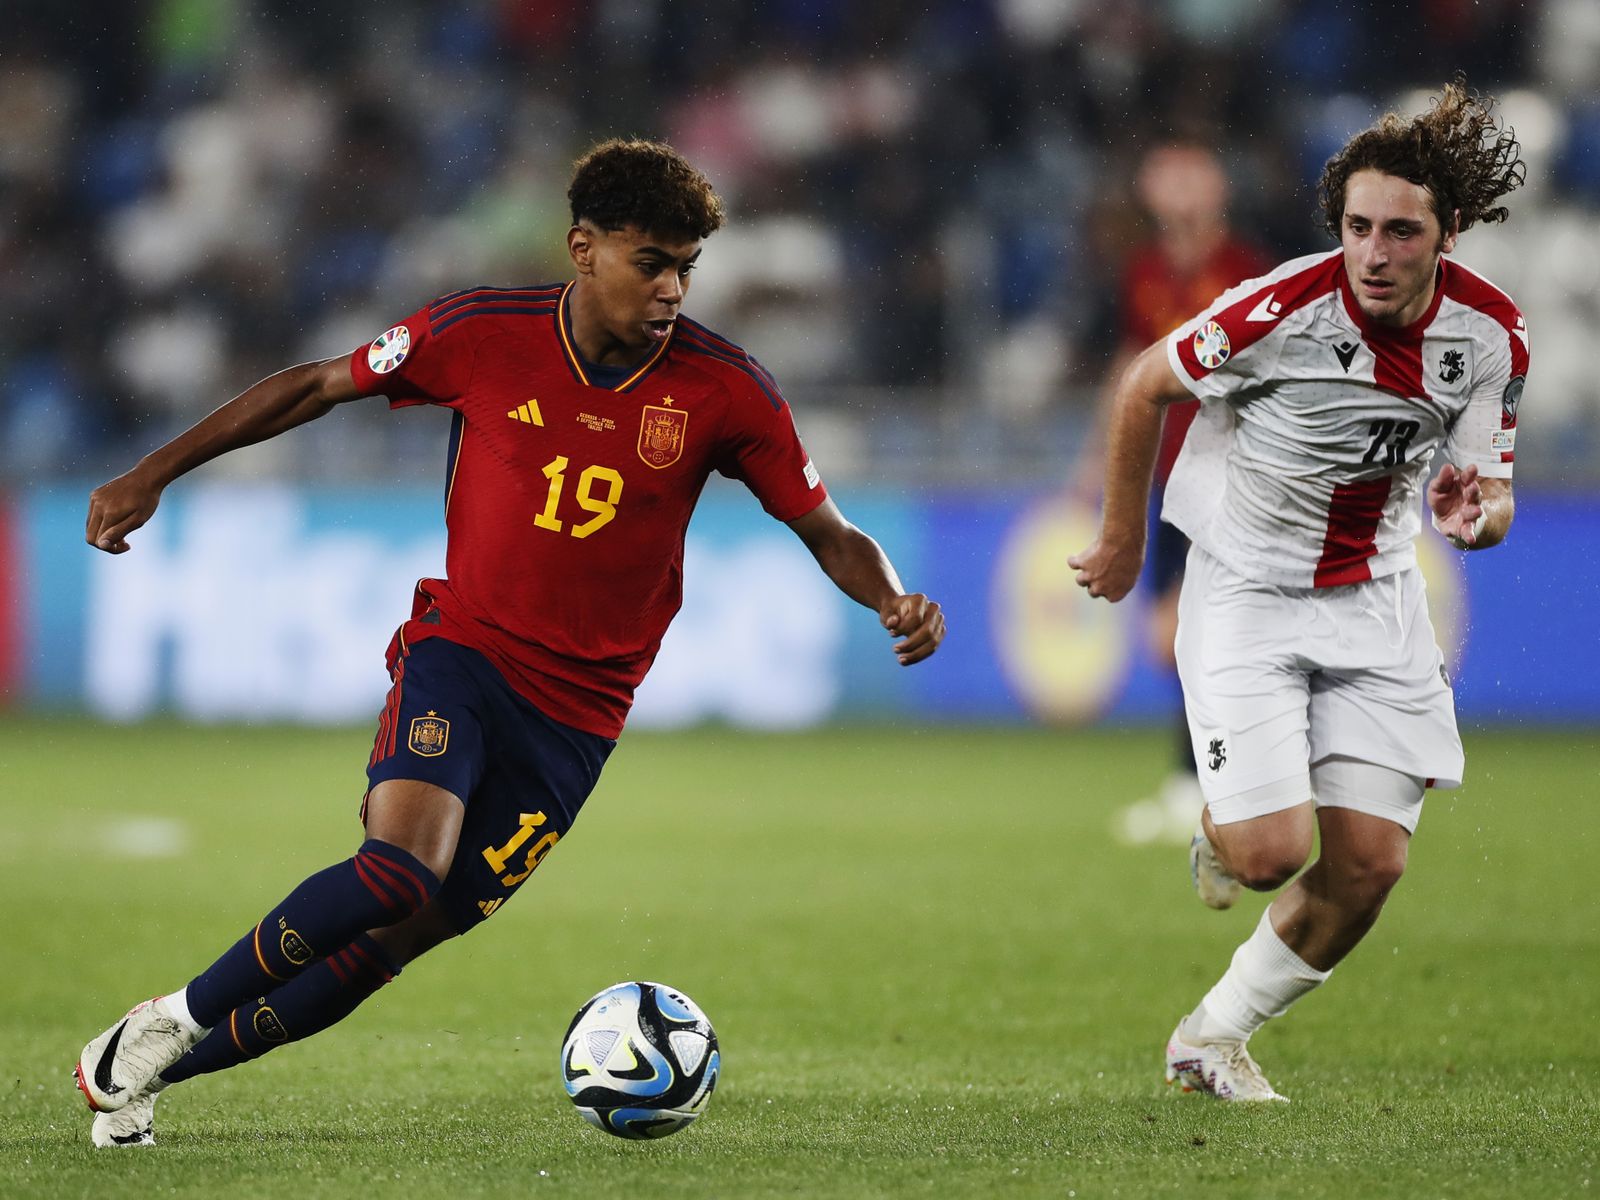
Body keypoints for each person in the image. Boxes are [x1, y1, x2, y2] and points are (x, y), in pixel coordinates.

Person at [74, 138, 946, 1146]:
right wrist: (152, 473)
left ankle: (138, 1072)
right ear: (583, 249)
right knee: (399, 870)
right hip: (465, 653)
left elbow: (825, 527)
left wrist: (889, 596)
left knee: (390, 944)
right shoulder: (477, 332)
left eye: (685, 270)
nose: (671, 290)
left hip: (578, 721)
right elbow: (316, 386)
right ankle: (168, 1020)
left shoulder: (726, 389)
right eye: (650, 262)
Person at [1068, 81, 1525, 1101]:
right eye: (1357, 227)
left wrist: (1473, 514)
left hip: (1374, 600)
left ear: (1446, 231)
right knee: (1272, 854)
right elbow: (1145, 381)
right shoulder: (1278, 307)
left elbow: (1490, 497)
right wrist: (1119, 543)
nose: (1373, 252)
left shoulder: (1492, 339)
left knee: (1367, 868)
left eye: (1399, 232)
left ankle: (1210, 1037)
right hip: (1244, 595)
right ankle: (1226, 829)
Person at [1090, 142, 1271, 846]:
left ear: (1218, 186)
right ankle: (1209, 783)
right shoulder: (1143, 274)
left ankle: (1200, 785)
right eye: (1166, 176)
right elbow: (1129, 367)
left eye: (1192, 175)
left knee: (1192, 632)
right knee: (1173, 641)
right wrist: (1098, 462)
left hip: (1234, 477)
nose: (1178, 190)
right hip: (1167, 478)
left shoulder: (1248, 271)